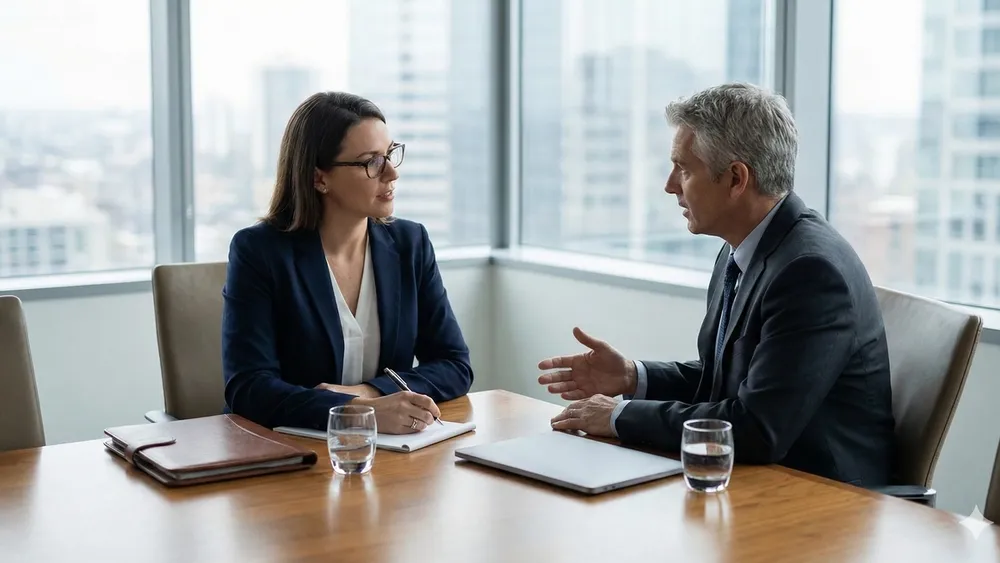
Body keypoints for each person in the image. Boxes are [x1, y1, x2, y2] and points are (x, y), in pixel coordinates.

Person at [537, 83, 895, 487]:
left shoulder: (810, 272)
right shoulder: (742, 249)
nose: (670, 185)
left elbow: (757, 426)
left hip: (825, 503)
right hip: (755, 481)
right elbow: (723, 382)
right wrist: (632, 377)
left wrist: (618, 416)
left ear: (736, 178)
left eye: (684, 169)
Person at [222, 92, 473, 434]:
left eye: (390, 155)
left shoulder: (410, 244)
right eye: (371, 161)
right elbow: (248, 387)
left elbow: (455, 365)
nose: (391, 174)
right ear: (319, 178)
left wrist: (369, 394)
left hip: (389, 454)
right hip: (292, 455)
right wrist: (355, 411)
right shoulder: (259, 251)